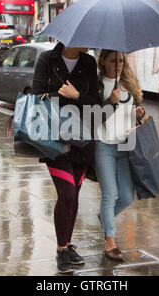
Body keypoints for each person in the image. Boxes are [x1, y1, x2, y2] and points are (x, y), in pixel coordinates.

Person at [32, 41, 100, 273]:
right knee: (67, 192)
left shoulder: (88, 62)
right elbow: (36, 96)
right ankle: (61, 250)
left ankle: (67, 245)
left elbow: (96, 102)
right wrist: (64, 97)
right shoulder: (47, 60)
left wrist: (77, 95)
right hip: (54, 140)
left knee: (75, 195)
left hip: (82, 140)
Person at [95, 49, 145, 261]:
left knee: (125, 196)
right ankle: (110, 243)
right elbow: (95, 119)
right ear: (103, 61)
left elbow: (130, 116)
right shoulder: (96, 85)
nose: (118, 65)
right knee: (109, 193)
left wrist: (137, 114)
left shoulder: (129, 86)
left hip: (125, 146)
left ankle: (105, 217)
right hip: (103, 145)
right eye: (114, 60)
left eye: (122, 61)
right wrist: (111, 102)